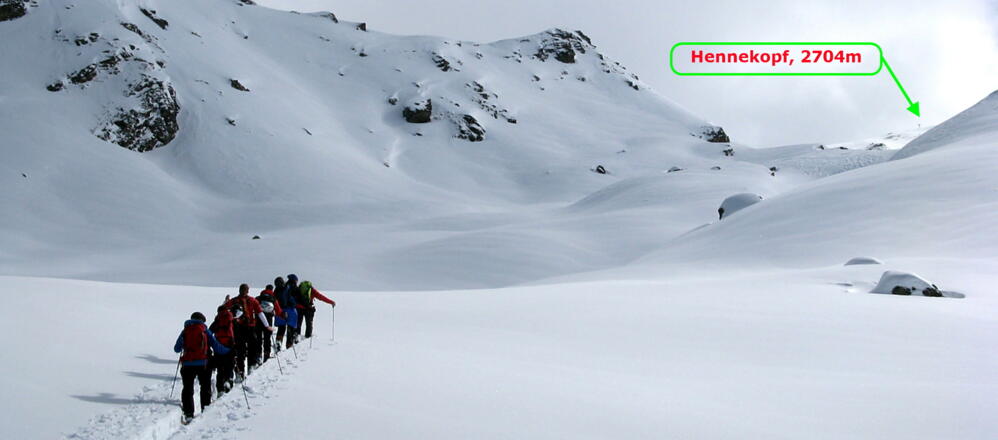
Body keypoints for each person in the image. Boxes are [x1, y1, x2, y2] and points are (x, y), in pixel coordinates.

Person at [174, 312, 230, 424]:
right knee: (205, 386)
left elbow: (176, 349)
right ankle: (205, 409)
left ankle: (189, 413)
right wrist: (228, 350)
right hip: (203, 364)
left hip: (187, 364)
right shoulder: (204, 330)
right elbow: (216, 346)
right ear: (202, 320)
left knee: (187, 388)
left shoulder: (185, 330)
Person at [223, 284, 274, 379]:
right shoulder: (252, 300)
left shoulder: (234, 301)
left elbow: (223, 309)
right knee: (252, 347)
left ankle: (240, 372)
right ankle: (251, 366)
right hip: (250, 327)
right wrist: (267, 326)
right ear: (247, 291)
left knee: (240, 351)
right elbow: (260, 313)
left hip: (238, 328)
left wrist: (225, 302)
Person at [208, 306, 235, 396]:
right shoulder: (231, 319)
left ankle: (220, 389)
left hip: (218, 347)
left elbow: (209, 333)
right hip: (230, 346)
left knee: (220, 369)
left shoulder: (217, 321)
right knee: (230, 365)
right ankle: (228, 381)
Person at [255, 284, 282, 362]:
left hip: (258, 320)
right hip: (269, 320)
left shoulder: (258, 298)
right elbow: (278, 310)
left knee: (259, 338)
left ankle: (258, 355)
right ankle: (266, 355)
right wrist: (283, 316)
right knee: (267, 338)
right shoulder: (273, 298)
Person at [276, 275, 300, 349]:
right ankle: (289, 345)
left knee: (281, 328)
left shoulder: (276, 290)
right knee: (290, 328)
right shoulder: (290, 288)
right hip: (291, 310)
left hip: (280, 310)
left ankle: (278, 342)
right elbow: (293, 298)